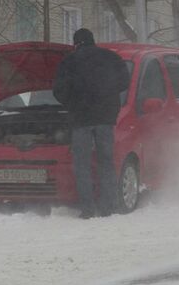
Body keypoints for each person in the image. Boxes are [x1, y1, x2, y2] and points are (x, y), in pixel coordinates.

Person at [53, 28, 131, 219]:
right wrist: (106, 94)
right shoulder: (111, 58)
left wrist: (72, 103)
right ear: (92, 40)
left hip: (81, 119)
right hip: (105, 118)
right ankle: (108, 206)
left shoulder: (69, 61)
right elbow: (124, 82)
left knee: (82, 165)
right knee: (106, 162)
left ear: (76, 43)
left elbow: (58, 90)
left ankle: (87, 208)